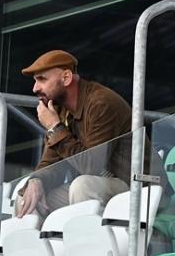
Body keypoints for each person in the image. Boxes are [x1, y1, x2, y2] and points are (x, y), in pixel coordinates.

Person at [15, 50, 135, 218]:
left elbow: (92, 166)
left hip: (136, 186)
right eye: (35, 81)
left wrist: (55, 127)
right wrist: (37, 180)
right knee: (27, 198)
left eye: (42, 79)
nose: (35, 88)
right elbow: (50, 163)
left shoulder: (101, 103)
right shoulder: (59, 109)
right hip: (96, 186)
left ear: (66, 78)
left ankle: (86, 236)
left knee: (82, 186)